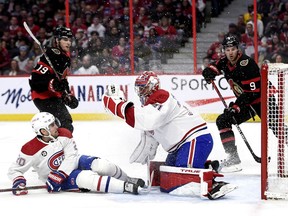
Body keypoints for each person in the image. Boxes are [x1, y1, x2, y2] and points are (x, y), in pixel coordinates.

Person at [101, 71, 237, 200]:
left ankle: (213, 184)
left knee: (182, 179)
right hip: (182, 146)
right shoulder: (150, 107)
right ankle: (208, 166)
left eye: (143, 88)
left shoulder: (161, 96)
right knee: (167, 177)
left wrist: (118, 105)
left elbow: (146, 121)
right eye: (139, 88)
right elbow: (148, 125)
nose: (140, 92)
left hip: (195, 139)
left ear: (153, 87)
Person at [7, 112, 145, 196]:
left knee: (103, 166)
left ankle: (128, 179)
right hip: (55, 177)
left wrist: (60, 173)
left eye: (54, 123)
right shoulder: (30, 149)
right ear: (43, 131)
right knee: (87, 178)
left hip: (69, 165)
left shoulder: (64, 134)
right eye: (52, 125)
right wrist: (18, 181)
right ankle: (125, 188)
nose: (56, 126)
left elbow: (71, 156)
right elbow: (14, 170)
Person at [202, 34, 270, 173]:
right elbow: (214, 67)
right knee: (223, 120)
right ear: (224, 51)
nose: (230, 52)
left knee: (277, 127)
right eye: (227, 50)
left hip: (262, 100)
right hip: (246, 103)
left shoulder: (247, 64)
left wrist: (236, 107)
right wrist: (208, 72)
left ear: (237, 49)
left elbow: (253, 93)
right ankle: (233, 158)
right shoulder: (225, 62)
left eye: (232, 49)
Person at [29, 26, 79, 133]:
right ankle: (57, 147)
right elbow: (35, 81)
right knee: (60, 125)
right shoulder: (51, 54)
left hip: (53, 97)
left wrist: (67, 95)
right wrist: (52, 84)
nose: (68, 43)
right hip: (42, 97)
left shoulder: (65, 58)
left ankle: (58, 147)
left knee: (62, 124)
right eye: (65, 39)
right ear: (57, 40)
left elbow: (62, 81)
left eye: (70, 40)